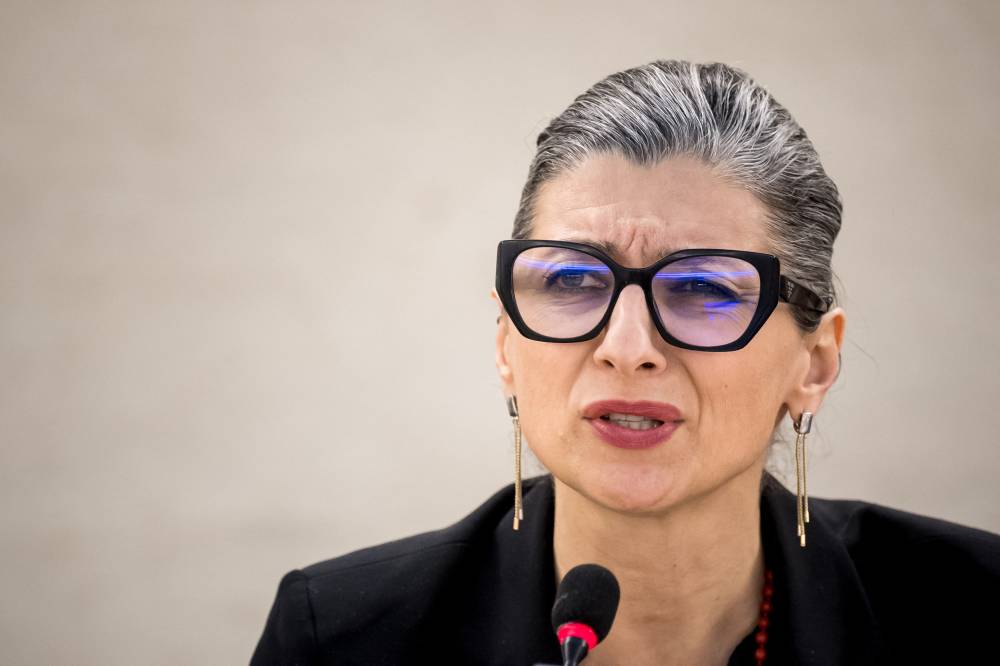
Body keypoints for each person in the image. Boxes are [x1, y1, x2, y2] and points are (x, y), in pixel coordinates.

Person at [249, 60, 1000, 665]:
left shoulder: (972, 613)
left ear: (814, 364)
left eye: (703, 288)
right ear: (507, 344)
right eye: (573, 281)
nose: (628, 349)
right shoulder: (342, 638)